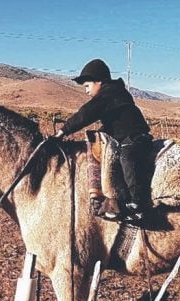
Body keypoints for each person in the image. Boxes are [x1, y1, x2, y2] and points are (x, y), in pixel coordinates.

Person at [53, 58, 153, 223]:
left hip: (136, 138)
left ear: (99, 81)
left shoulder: (110, 92)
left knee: (126, 158)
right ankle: (117, 200)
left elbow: (87, 112)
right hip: (125, 137)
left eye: (87, 86)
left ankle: (138, 204)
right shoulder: (111, 95)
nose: (86, 91)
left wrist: (64, 130)